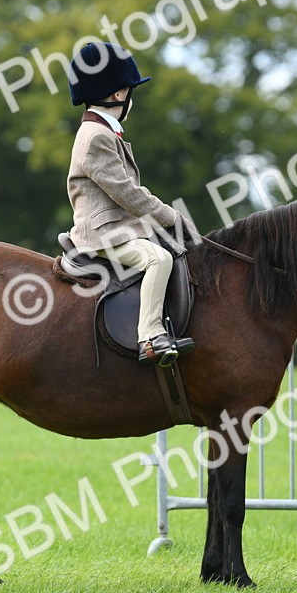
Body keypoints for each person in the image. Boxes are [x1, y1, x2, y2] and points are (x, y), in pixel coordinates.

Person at [65, 41, 194, 366]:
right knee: (158, 259)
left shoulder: (104, 133)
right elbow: (128, 193)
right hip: (101, 234)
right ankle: (150, 337)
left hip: (119, 228)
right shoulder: (96, 137)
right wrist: (171, 216)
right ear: (120, 93)